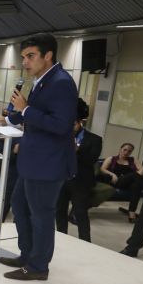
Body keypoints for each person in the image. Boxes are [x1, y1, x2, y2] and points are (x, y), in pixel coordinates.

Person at [0, 33, 78, 281]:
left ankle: (39, 266)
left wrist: (25, 109)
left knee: (41, 215)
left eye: (30, 56)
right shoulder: (42, 79)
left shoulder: (61, 82)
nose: (25, 62)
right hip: (33, 161)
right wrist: (8, 117)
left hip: (48, 164)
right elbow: (32, 113)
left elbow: (60, 125)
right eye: (23, 57)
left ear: (48, 56)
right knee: (19, 206)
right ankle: (27, 254)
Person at [55, 99, 102, 242]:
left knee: (80, 213)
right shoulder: (62, 137)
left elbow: (92, 159)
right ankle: (62, 236)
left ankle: (85, 241)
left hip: (81, 182)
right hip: (62, 180)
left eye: (73, 124)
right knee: (60, 211)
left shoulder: (95, 139)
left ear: (79, 122)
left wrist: (77, 151)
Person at [99, 142, 143, 223]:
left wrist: (132, 177)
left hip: (128, 184)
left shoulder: (133, 160)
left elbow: (142, 170)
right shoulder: (111, 159)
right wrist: (112, 174)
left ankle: (131, 213)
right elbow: (102, 169)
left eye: (129, 151)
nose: (126, 152)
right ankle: (132, 213)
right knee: (135, 177)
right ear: (120, 149)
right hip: (116, 182)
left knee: (136, 185)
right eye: (125, 150)